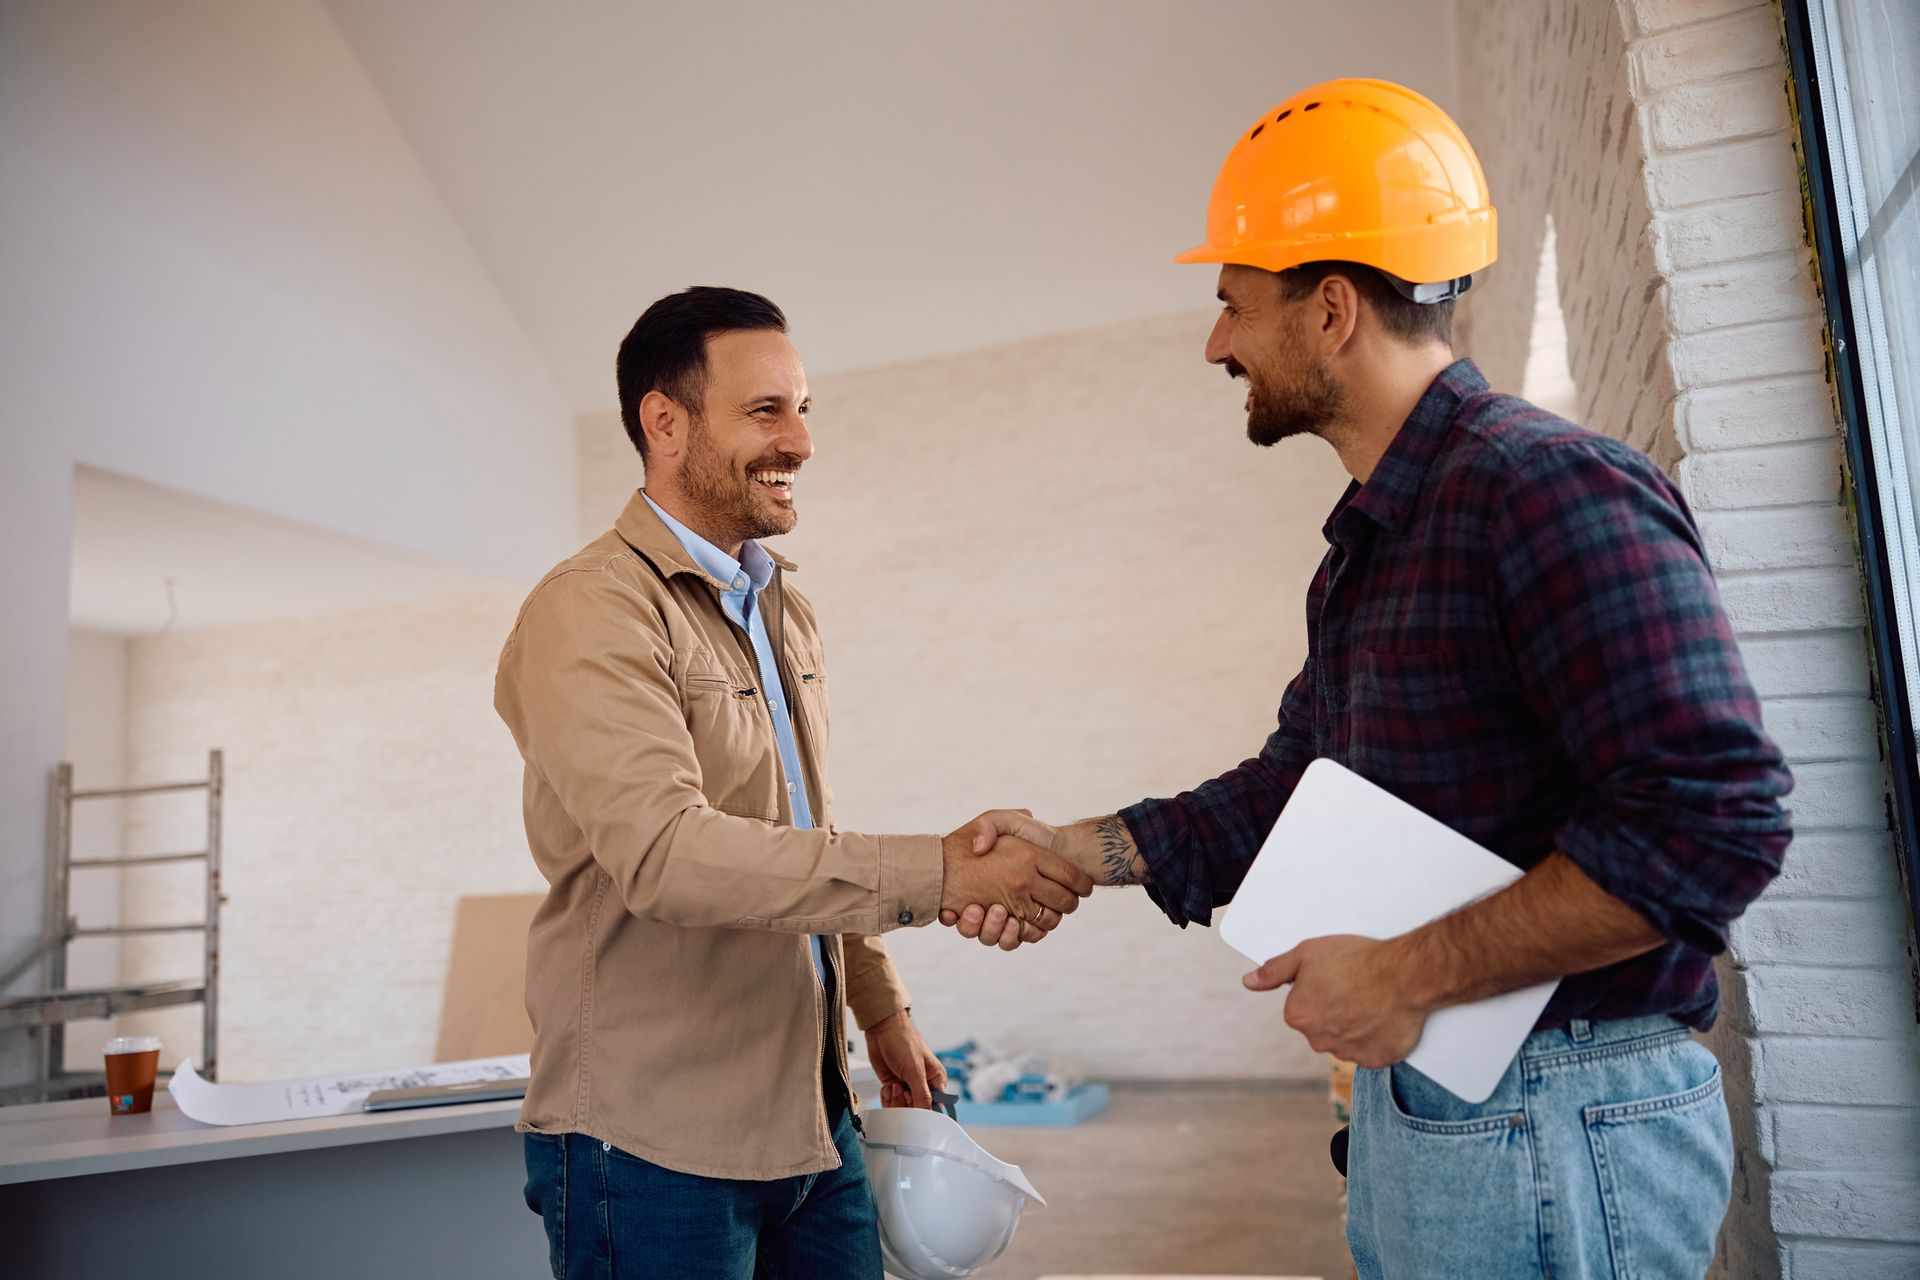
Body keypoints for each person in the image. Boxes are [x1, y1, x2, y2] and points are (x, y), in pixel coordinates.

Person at [951, 79, 1792, 1279]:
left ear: (1332, 307)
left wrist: (1403, 973)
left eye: (1235, 304)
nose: (1217, 342)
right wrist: (1078, 847)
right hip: (1451, 1098)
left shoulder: (1542, 487)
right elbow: (1293, 786)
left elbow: (1712, 821)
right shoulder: (1381, 538)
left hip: (1556, 1106)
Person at [494, 285, 1094, 1279]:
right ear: (666, 422)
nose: (802, 441)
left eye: (804, 408)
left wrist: (881, 1008)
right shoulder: (591, 611)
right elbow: (667, 855)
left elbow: (798, 828)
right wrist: (940, 872)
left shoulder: (783, 610)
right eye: (768, 410)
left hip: (816, 1122)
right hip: (650, 1147)